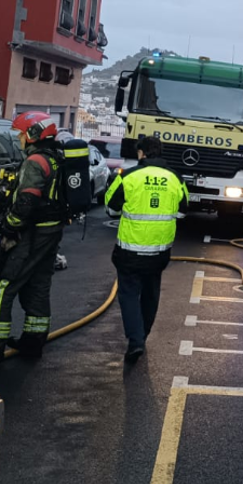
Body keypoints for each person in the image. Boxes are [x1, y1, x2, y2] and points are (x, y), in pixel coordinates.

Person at [0, 112, 66, 363]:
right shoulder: (56, 158)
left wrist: (10, 228)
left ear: (33, 134)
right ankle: (33, 342)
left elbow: (26, 200)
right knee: (38, 286)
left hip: (32, 233)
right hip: (51, 232)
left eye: (22, 133)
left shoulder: (34, 162)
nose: (19, 138)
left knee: (2, 286)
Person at [104, 136, 187, 363]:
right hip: (159, 252)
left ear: (141, 153)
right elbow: (182, 211)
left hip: (129, 250)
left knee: (129, 294)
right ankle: (144, 334)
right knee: (151, 293)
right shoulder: (175, 179)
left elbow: (110, 205)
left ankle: (136, 340)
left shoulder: (129, 176)